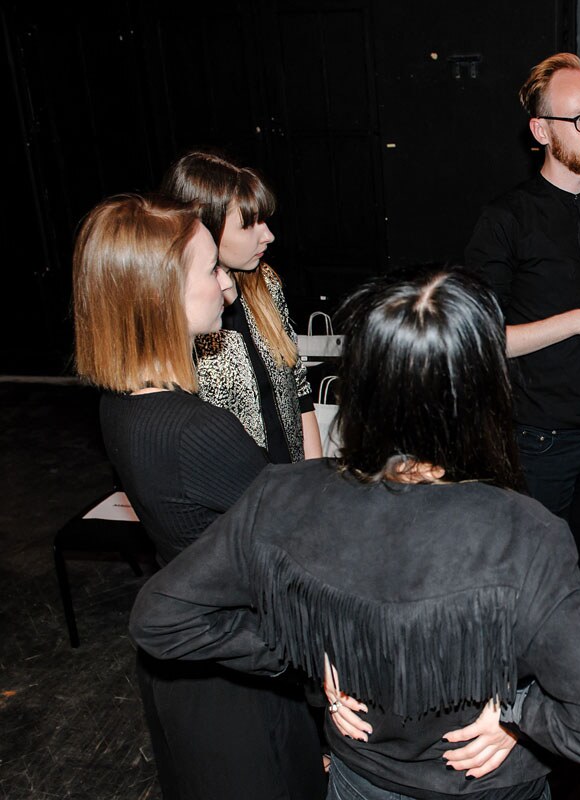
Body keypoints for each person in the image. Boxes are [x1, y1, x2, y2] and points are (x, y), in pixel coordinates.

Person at [129, 267, 580, 800]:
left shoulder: (282, 495)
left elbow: (160, 618)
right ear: (485, 391)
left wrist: (309, 651)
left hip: (361, 782)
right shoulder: (524, 534)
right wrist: (519, 714)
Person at [72, 194, 325, 799]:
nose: (230, 288)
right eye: (212, 270)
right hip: (235, 680)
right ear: (159, 295)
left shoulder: (121, 403)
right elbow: (305, 543)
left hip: (186, 674)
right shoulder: (196, 429)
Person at [465, 53, 580, 574]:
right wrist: (579, 320)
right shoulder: (504, 219)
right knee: (531, 578)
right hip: (540, 438)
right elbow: (482, 340)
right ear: (541, 130)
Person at [163, 150, 321, 464]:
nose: (269, 235)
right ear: (203, 228)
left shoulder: (265, 283)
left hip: (289, 482)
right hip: (234, 496)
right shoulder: (180, 313)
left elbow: (298, 385)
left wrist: (314, 476)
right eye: (249, 225)